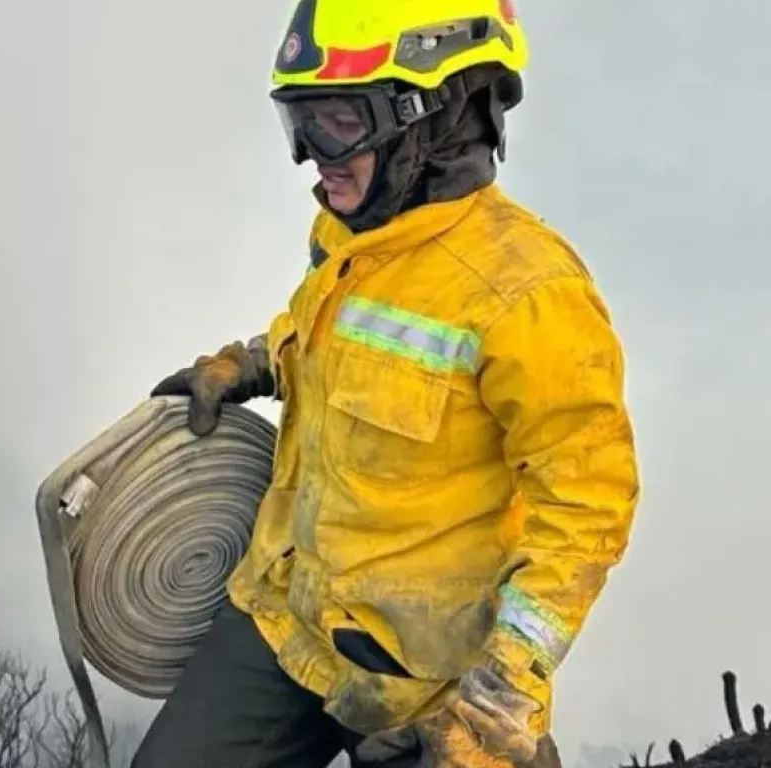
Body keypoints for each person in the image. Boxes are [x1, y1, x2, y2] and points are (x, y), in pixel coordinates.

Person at [134, 0, 640, 765]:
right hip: (288, 615)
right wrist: (253, 361)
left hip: (425, 682)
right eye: (298, 123)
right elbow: (332, 332)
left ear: (438, 117)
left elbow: (587, 506)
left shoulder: (528, 293)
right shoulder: (349, 234)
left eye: (338, 121)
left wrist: (503, 688)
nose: (312, 156)